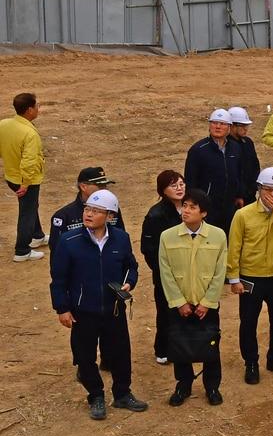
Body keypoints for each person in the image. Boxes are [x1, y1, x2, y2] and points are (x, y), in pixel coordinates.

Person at [49, 188, 148, 420]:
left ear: (110, 216)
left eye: (96, 210)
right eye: (87, 209)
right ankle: (96, 396)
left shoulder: (121, 239)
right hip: (83, 311)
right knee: (84, 356)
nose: (89, 214)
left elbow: (131, 267)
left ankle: (122, 393)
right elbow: (59, 278)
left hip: (114, 309)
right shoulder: (69, 241)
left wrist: (128, 284)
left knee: (121, 353)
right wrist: (62, 308)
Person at [227, 167, 273, 385]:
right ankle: (251, 362)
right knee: (248, 321)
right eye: (268, 190)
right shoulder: (243, 215)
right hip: (251, 277)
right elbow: (234, 247)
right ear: (259, 190)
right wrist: (233, 278)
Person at [158, 188, 228, 406]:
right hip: (180, 305)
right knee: (180, 346)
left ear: (203, 213)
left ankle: (212, 387)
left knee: (211, 345)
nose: (186, 210)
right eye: (184, 206)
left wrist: (207, 303)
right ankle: (183, 386)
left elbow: (220, 271)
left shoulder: (218, 235)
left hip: (206, 306)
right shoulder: (167, 236)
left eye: (192, 207)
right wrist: (179, 302)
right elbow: (165, 272)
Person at [139, 170, 185, 365]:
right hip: (166, 273)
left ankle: (187, 346)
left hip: (189, 270)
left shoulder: (191, 207)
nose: (179, 188)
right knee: (166, 311)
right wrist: (162, 271)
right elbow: (148, 249)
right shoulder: (156, 215)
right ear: (163, 190)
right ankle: (163, 349)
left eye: (181, 184)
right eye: (173, 185)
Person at [184, 108, 246, 232]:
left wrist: (239, 195)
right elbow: (191, 180)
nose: (217, 126)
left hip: (229, 204)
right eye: (214, 123)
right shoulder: (198, 150)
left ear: (229, 127)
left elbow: (238, 173)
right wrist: (195, 204)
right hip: (208, 206)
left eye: (222, 123)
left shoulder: (235, 148)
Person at [1, 92, 46, 262]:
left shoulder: (4, 124)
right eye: (37, 106)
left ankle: (38, 235)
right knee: (27, 212)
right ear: (29, 110)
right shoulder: (30, 133)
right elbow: (29, 163)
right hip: (26, 181)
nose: (38, 109)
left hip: (11, 176)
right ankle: (22, 250)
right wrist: (26, 184)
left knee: (31, 206)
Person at [49, 166, 124, 248]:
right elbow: (57, 251)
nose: (104, 190)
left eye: (105, 186)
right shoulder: (63, 216)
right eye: (100, 186)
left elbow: (121, 239)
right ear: (83, 187)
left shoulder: (111, 210)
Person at [228, 106, 262, 201]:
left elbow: (255, 166)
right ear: (232, 125)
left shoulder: (248, 142)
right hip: (235, 197)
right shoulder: (225, 146)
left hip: (250, 194)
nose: (245, 129)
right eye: (242, 126)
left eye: (246, 126)